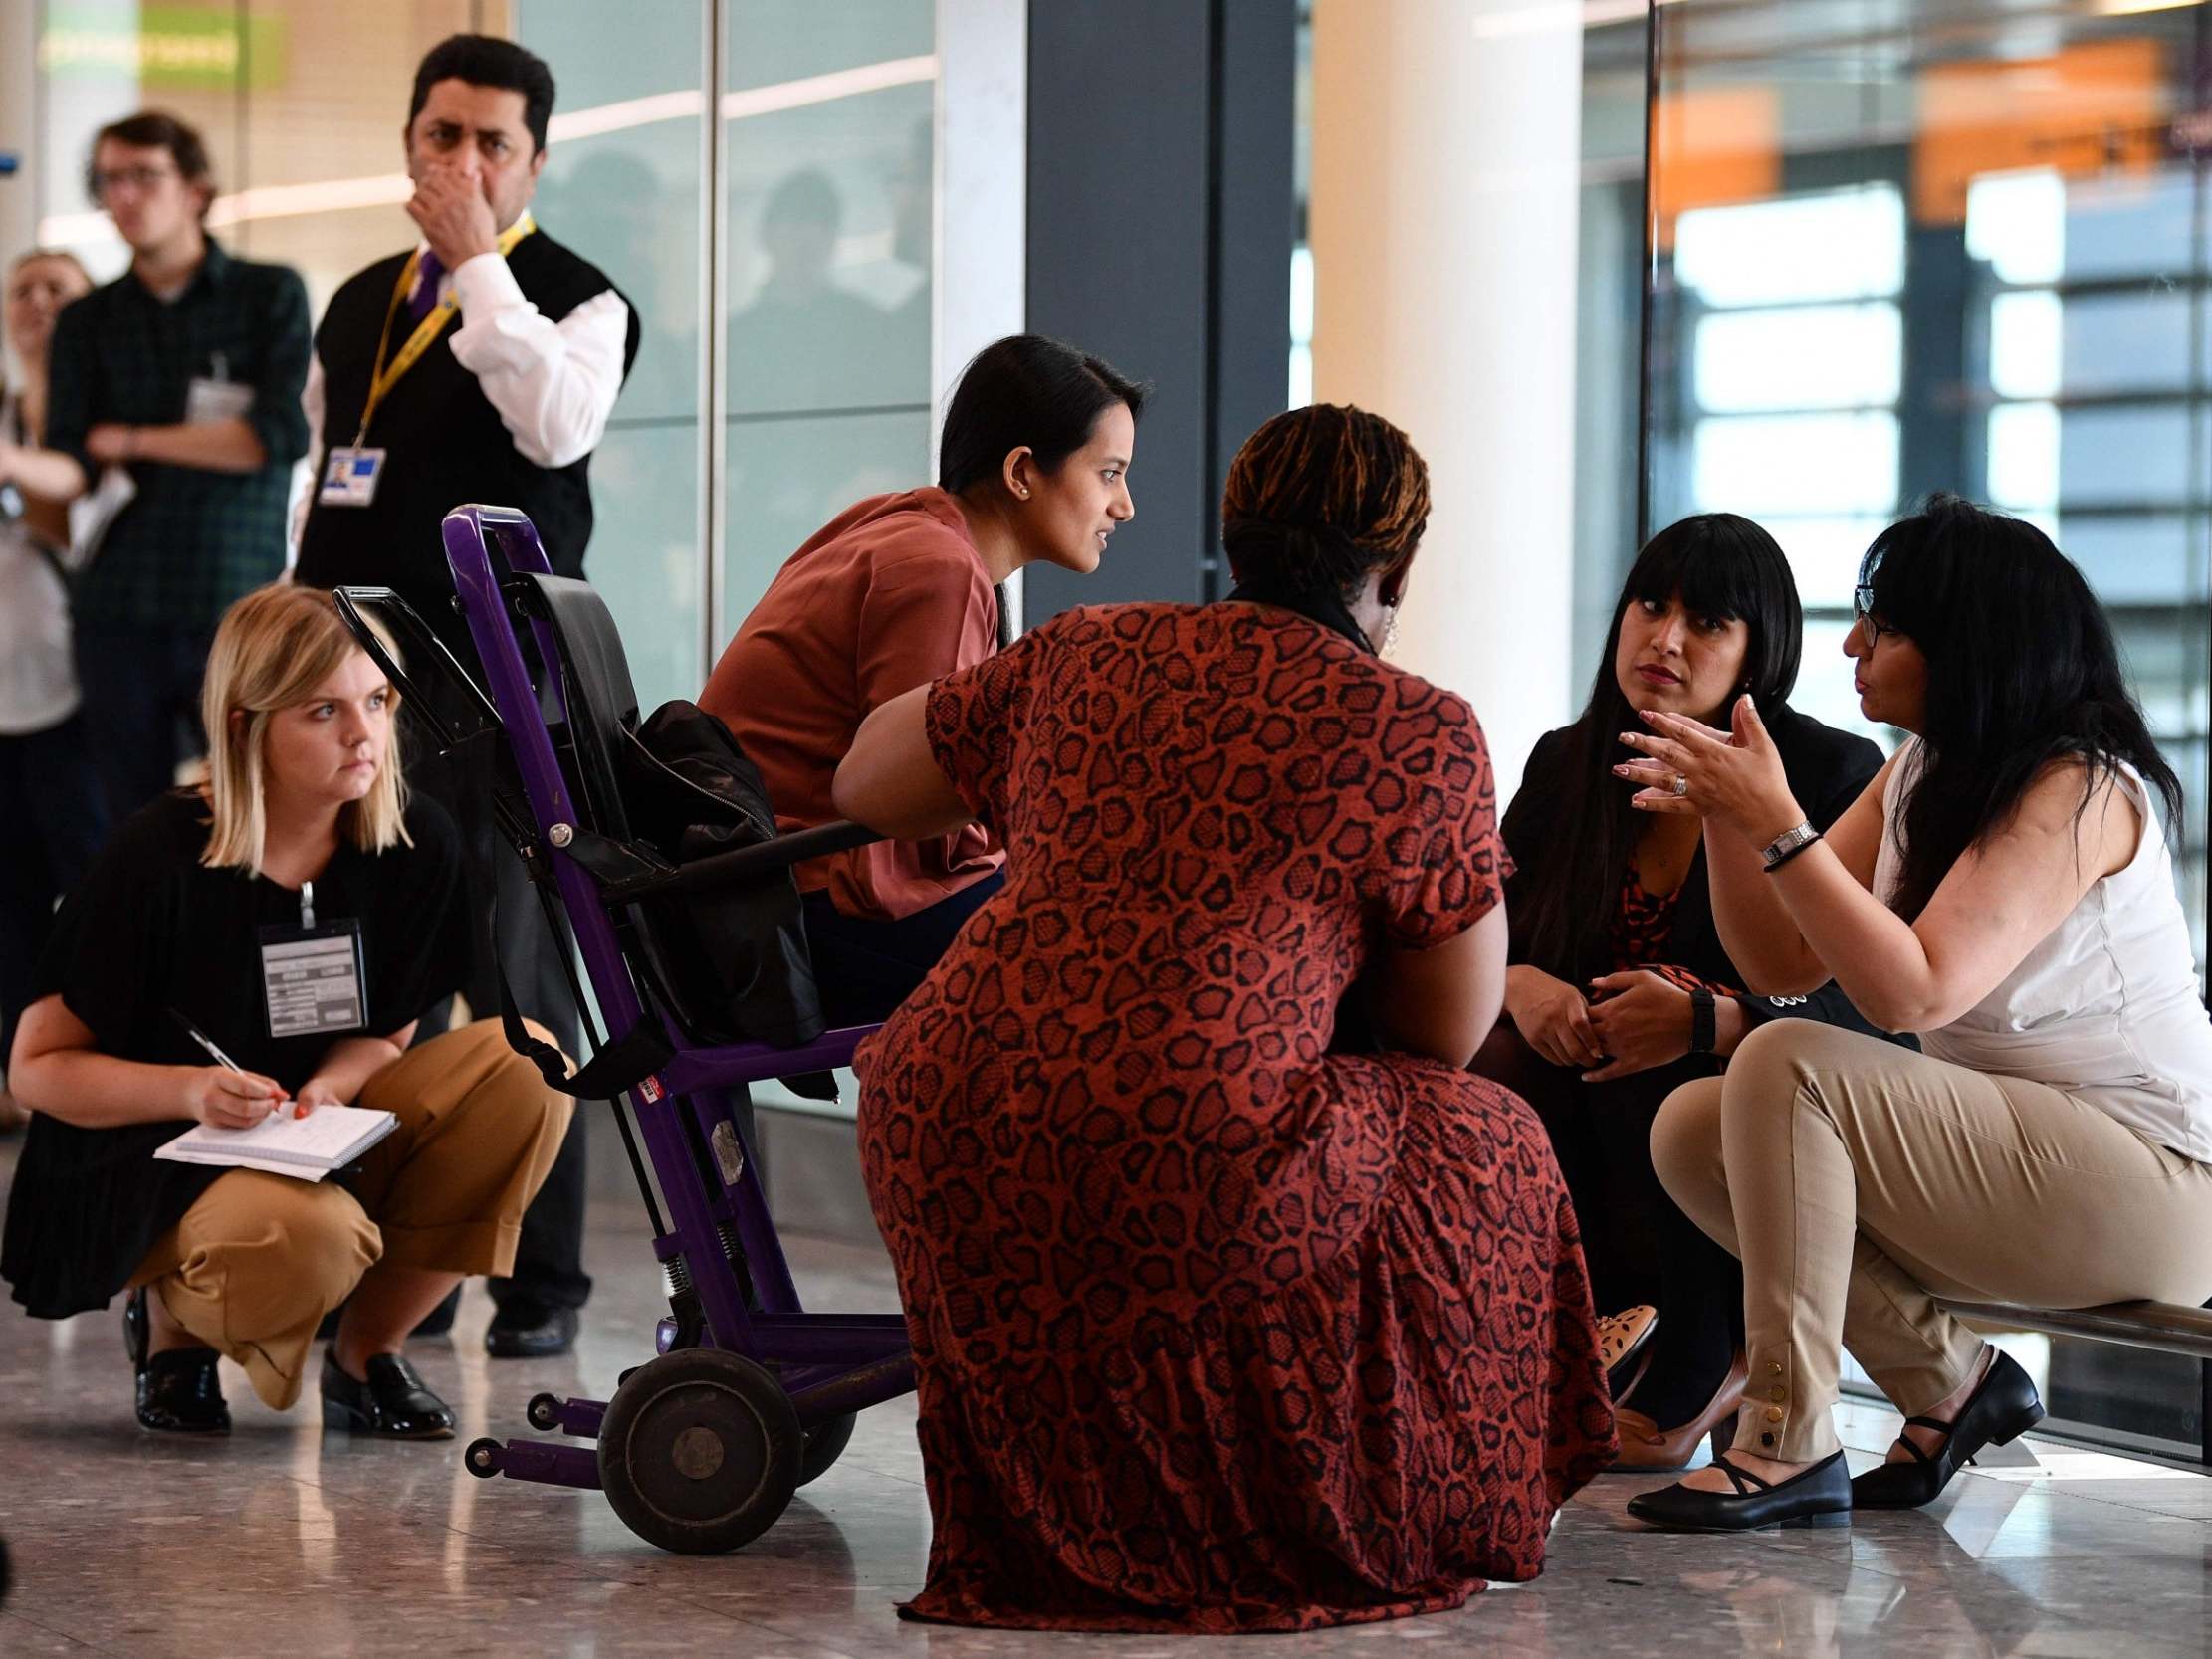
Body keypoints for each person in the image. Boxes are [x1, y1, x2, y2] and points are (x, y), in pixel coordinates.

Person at [831, 404, 1613, 1630]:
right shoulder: (1416, 726)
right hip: (1190, 1144)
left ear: (1232, 537)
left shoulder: (1085, 650)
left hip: (950, 1114)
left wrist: (1037, 786)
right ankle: (1338, 1491)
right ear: (1394, 566)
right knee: (1481, 1140)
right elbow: (1443, 1037)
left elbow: (866, 777)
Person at [1617, 496, 2212, 1532]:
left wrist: (1777, 820)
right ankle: (1947, 1382)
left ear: (1961, 645)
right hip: (2025, 1165)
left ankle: (1786, 1437)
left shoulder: (2078, 785)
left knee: (1784, 1062)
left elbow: (1914, 989)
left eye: (1879, 625)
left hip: (2156, 1186)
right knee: (1692, 1126)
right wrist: (1728, 814)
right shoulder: (1921, 771)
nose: (1849, 644)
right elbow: (1779, 959)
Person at [0, 584, 573, 1438]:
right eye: (323, 711)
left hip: (314, 1133)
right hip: (161, 1159)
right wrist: (192, 1091)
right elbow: (35, 1069)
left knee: (533, 1067)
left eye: (377, 699)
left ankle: (367, 1356)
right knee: (310, 1237)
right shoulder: (156, 857)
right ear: (244, 725)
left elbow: (387, 1034)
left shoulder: (414, 841)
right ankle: (170, 1330)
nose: (364, 733)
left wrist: (337, 1088)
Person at [295, 34, 639, 1360]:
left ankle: (538, 1285)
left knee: (514, 986)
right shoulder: (360, 298)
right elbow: (329, 470)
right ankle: (384, 1268)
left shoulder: (580, 298)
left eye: (493, 142)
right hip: (349, 685)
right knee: (356, 975)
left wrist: (481, 260)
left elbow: (555, 426)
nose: (463, 162)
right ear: (407, 142)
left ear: (535, 159)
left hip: (496, 696)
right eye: (442, 136)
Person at [1476, 515, 1887, 1468]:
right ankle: (1532, 1348)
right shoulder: (1568, 763)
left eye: (1707, 622)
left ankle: (1707, 1352)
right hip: (1593, 1122)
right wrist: (1519, 981)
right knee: (1490, 1056)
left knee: (1685, 1057)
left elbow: (1872, 1007)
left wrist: (1706, 1019)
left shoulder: (1830, 775)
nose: (1665, 639)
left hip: (1750, 1114)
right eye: (1651, 606)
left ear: (1760, 652)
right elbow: (1467, 929)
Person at [702, 333, 1142, 1027]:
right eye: (1109, 473)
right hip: (807, 910)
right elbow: (919, 802)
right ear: (1023, 471)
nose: (1125, 507)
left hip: (768, 893)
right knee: (1099, 981)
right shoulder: (938, 566)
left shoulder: (903, 525)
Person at [0, 112, 310, 825]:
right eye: (110, 180)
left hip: (231, 601)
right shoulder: (91, 320)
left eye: (145, 175)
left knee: (256, 812)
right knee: (133, 831)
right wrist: (16, 459)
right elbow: (75, 466)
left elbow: (274, 436)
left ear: (196, 189)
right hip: (119, 608)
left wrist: (135, 439)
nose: (126, 195)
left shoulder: (266, 294)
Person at [0, 249, 108, 1133]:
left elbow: (62, 519)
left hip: (87, 700)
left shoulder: (104, 422)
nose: (38, 303)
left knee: (96, 885)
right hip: (8, 694)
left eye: (58, 289)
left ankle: (100, 1066)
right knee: (10, 899)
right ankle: (21, 1068)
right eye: (22, 290)